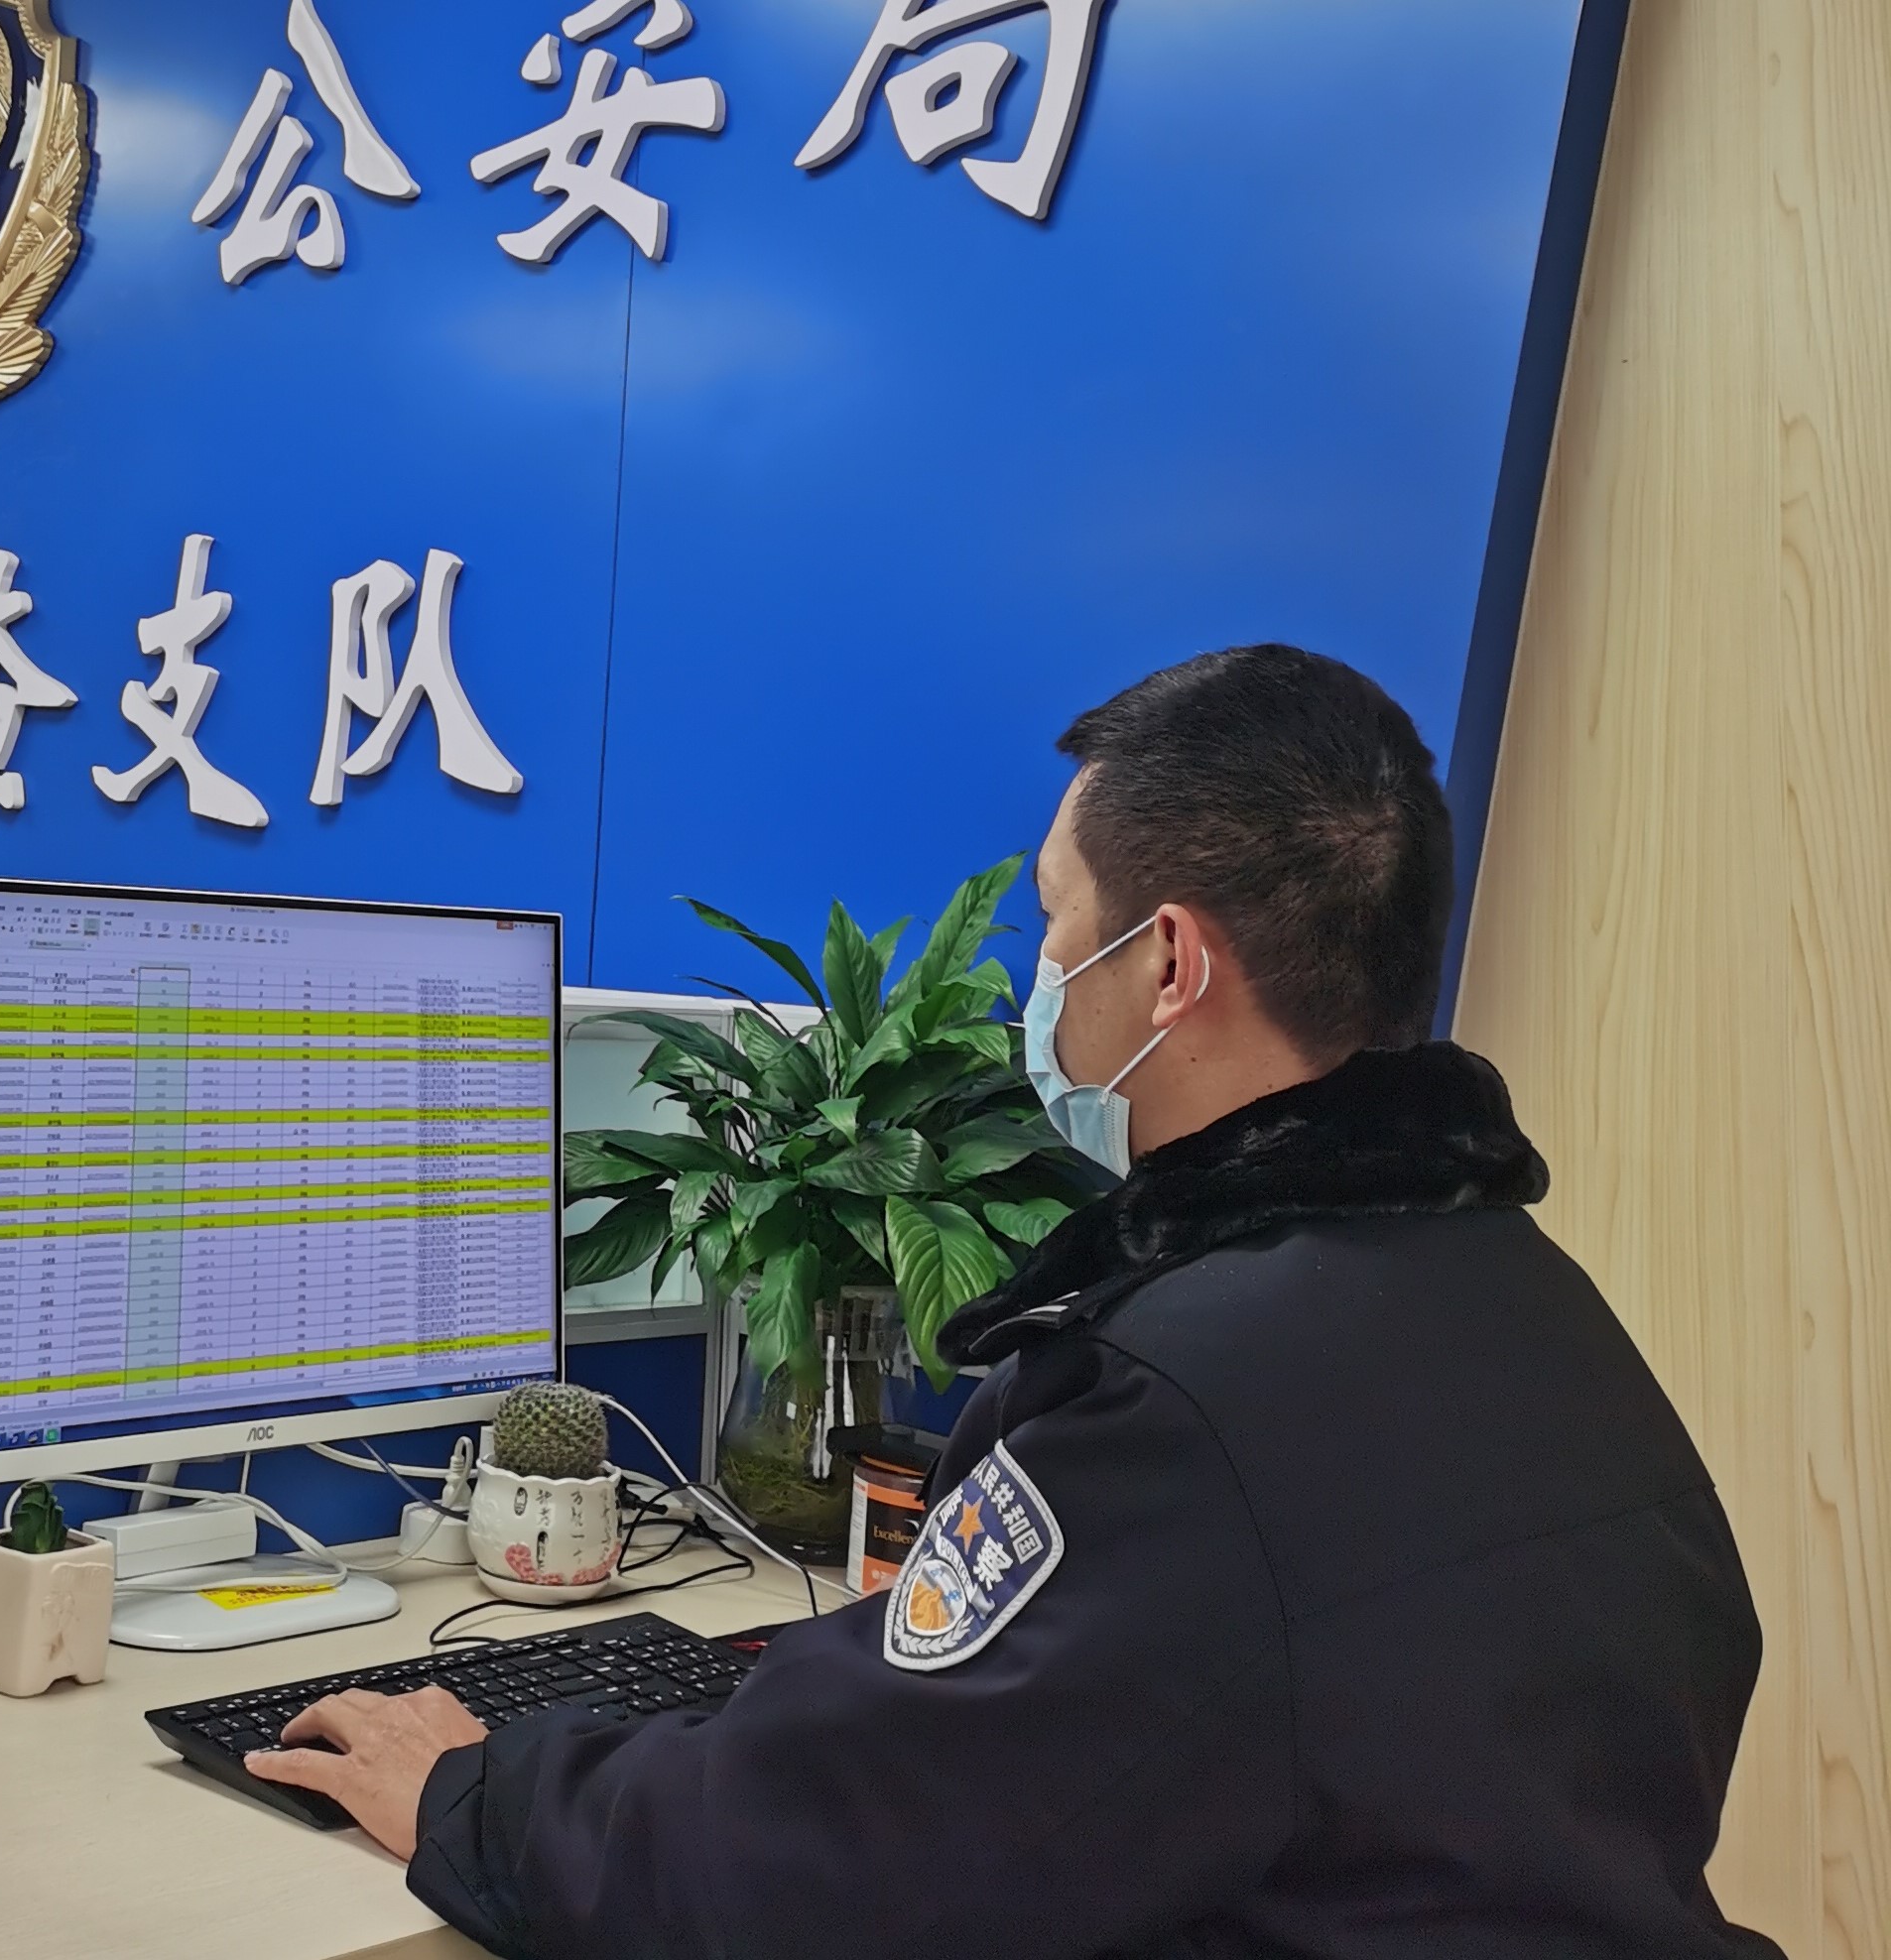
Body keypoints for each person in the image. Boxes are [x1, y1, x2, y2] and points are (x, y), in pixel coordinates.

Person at [247, 645, 1781, 1960]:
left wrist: (476, 1789)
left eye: (1056, 920)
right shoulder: (1533, 1308)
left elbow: (820, 1857)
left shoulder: (1182, 1402)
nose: (1041, 972)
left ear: (1168, 963)